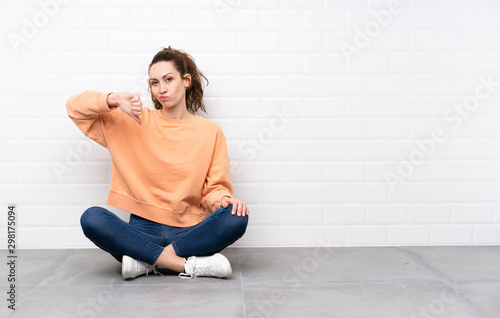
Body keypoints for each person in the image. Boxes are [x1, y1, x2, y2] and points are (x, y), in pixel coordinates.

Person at [66, 46, 249, 280]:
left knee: (237, 217)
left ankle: (146, 261)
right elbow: (74, 109)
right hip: (141, 231)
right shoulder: (133, 121)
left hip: (189, 233)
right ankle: (184, 265)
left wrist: (225, 201)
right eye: (154, 83)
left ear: (186, 80)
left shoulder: (210, 132)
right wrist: (112, 99)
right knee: (92, 218)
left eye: (168, 79)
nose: (161, 89)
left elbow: (214, 189)